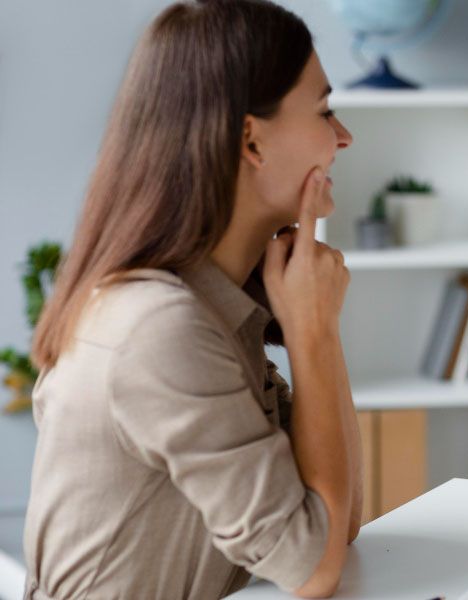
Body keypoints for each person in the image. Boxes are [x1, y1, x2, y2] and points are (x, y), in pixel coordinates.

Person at [24, 1, 361, 597]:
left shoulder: (216, 304)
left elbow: (337, 523)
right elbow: (315, 565)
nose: (343, 137)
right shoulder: (158, 328)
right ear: (251, 140)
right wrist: (315, 333)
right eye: (324, 111)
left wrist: (314, 329)